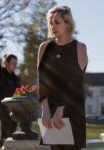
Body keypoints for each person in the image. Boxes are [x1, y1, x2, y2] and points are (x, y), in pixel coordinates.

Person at [37, 6, 88, 150]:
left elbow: (75, 83)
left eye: (57, 22)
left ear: (68, 24)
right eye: (51, 23)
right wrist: (45, 109)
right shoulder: (44, 47)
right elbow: (42, 80)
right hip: (50, 108)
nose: (53, 26)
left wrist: (60, 109)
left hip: (71, 108)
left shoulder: (80, 47)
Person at [0, 54, 32, 149]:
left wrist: (25, 92)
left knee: (12, 135)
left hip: (15, 110)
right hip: (3, 109)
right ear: (6, 63)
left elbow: (18, 92)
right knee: (5, 134)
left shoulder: (16, 78)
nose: (15, 65)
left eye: (16, 63)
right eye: (13, 63)